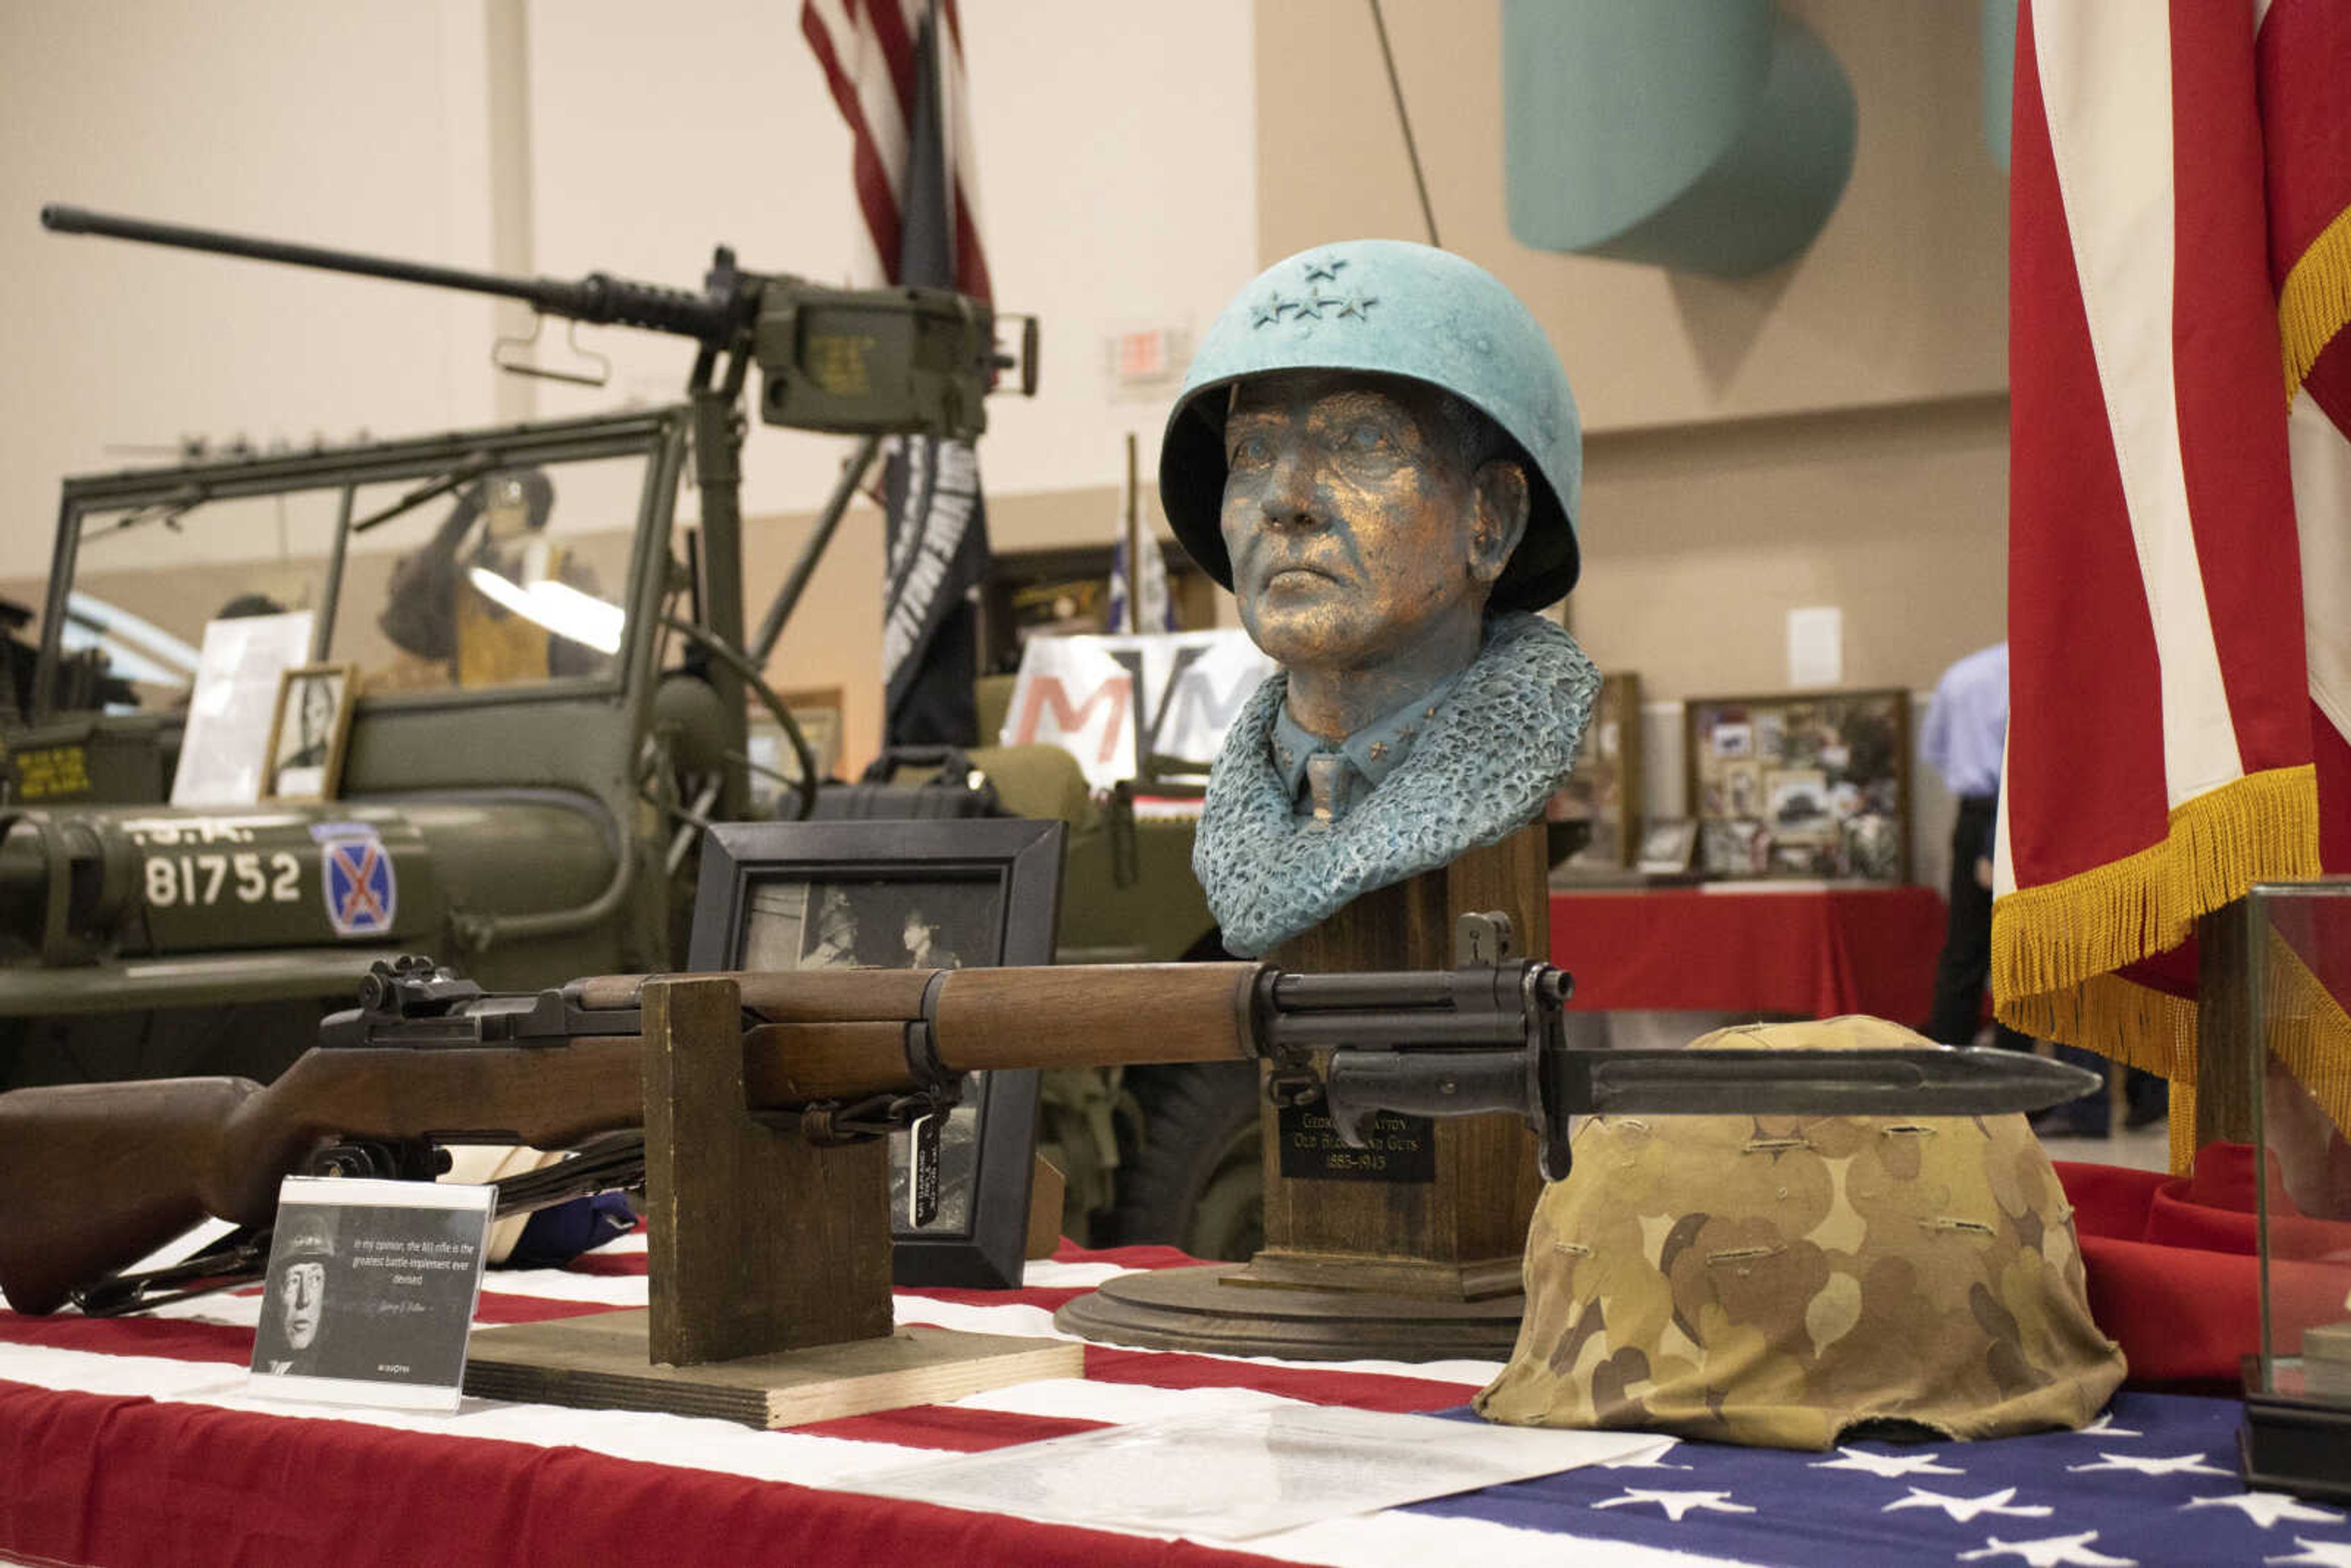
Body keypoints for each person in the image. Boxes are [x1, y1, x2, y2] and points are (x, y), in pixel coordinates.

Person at [1158, 241, 1599, 956]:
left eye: (1363, 440)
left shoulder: (1500, 797)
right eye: (1252, 452)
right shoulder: (1239, 811)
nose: (1285, 499)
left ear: (1491, 518)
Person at [260, 1208, 336, 1375]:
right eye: (293, 1281)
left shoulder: (333, 1369)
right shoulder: (259, 1359)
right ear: (272, 1290)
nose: (304, 1299)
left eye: (315, 1279)